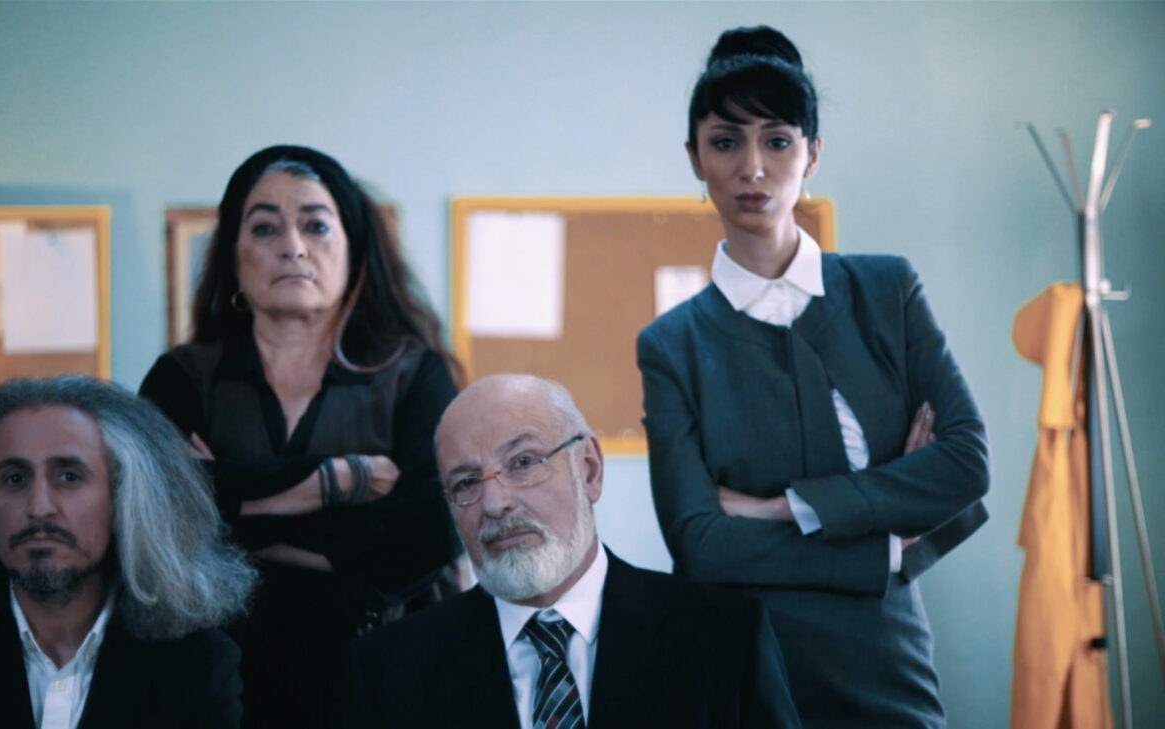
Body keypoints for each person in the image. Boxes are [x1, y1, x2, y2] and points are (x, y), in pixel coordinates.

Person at [637, 26, 990, 727]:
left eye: (777, 140)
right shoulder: (672, 345)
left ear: (813, 153)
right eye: (726, 142)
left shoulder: (887, 291)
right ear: (695, 158)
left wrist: (780, 507)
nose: (753, 168)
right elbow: (701, 545)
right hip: (743, 664)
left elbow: (965, 466)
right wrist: (882, 542)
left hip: (884, 657)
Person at [139, 144, 461, 728]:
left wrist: (229, 501)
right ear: (233, 255)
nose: (292, 245)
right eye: (264, 227)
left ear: (353, 249)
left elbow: (432, 530)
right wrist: (341, 482)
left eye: (316, 225)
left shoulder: (414, 375)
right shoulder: (182, 378)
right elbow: (154, 520)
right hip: (217, 683)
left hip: (384, 677)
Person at [337, 375, 801, 728]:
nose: (494, 503)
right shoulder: (386, 670)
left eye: (523, 463)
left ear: (589, 470)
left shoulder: (725, 638)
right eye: (466, 483)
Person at [0, 376, 254, 729]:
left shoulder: (195, 660)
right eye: (15, 479)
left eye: (69, 477)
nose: (39, 507)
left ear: (123, 499)